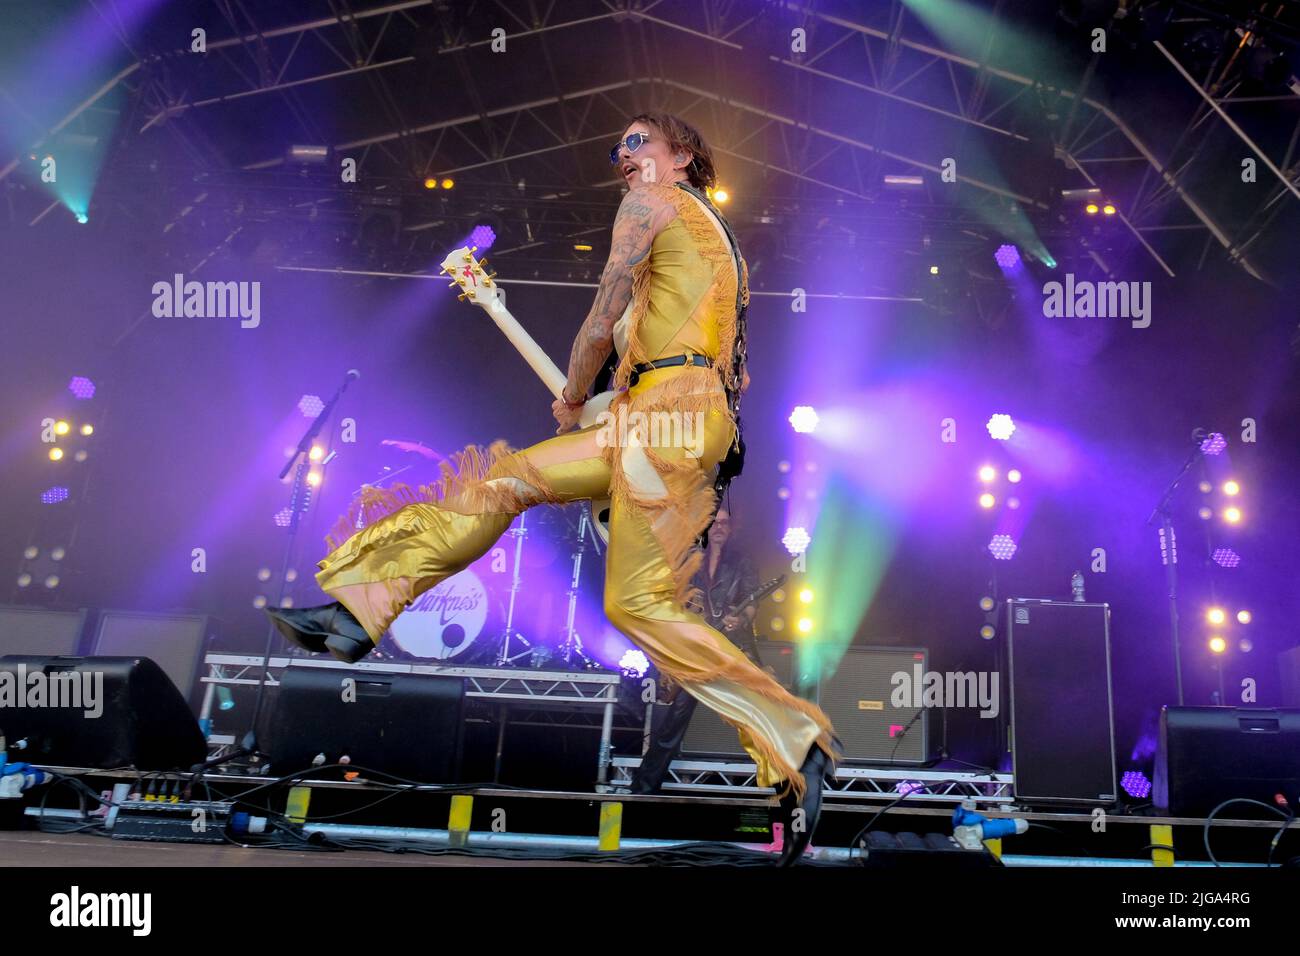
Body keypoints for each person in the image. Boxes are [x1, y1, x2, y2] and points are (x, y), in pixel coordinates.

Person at [267, 111, 840, 864]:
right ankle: (798, 740)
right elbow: (683, 352)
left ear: (683, 157)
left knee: (509, 482)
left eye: (640, 143)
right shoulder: (713, 244)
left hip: (662, 419)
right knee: (629, 600)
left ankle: (358, 610)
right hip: (684, 423)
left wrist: (574, 394)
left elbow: (602, 315)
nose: (624, 157)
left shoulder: (651, 204)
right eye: (618, 148)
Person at [629, 505, 770, 795]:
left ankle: (787, 783)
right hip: (697, 649)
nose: (719, 527)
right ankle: (644, 787)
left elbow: (752, 603)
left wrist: (739, 618)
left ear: (732, 529)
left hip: (733, 648)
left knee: (762, 712)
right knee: (674, 719)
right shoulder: (689, 560)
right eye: (714, 522)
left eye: (724, 523)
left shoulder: (742, 562)